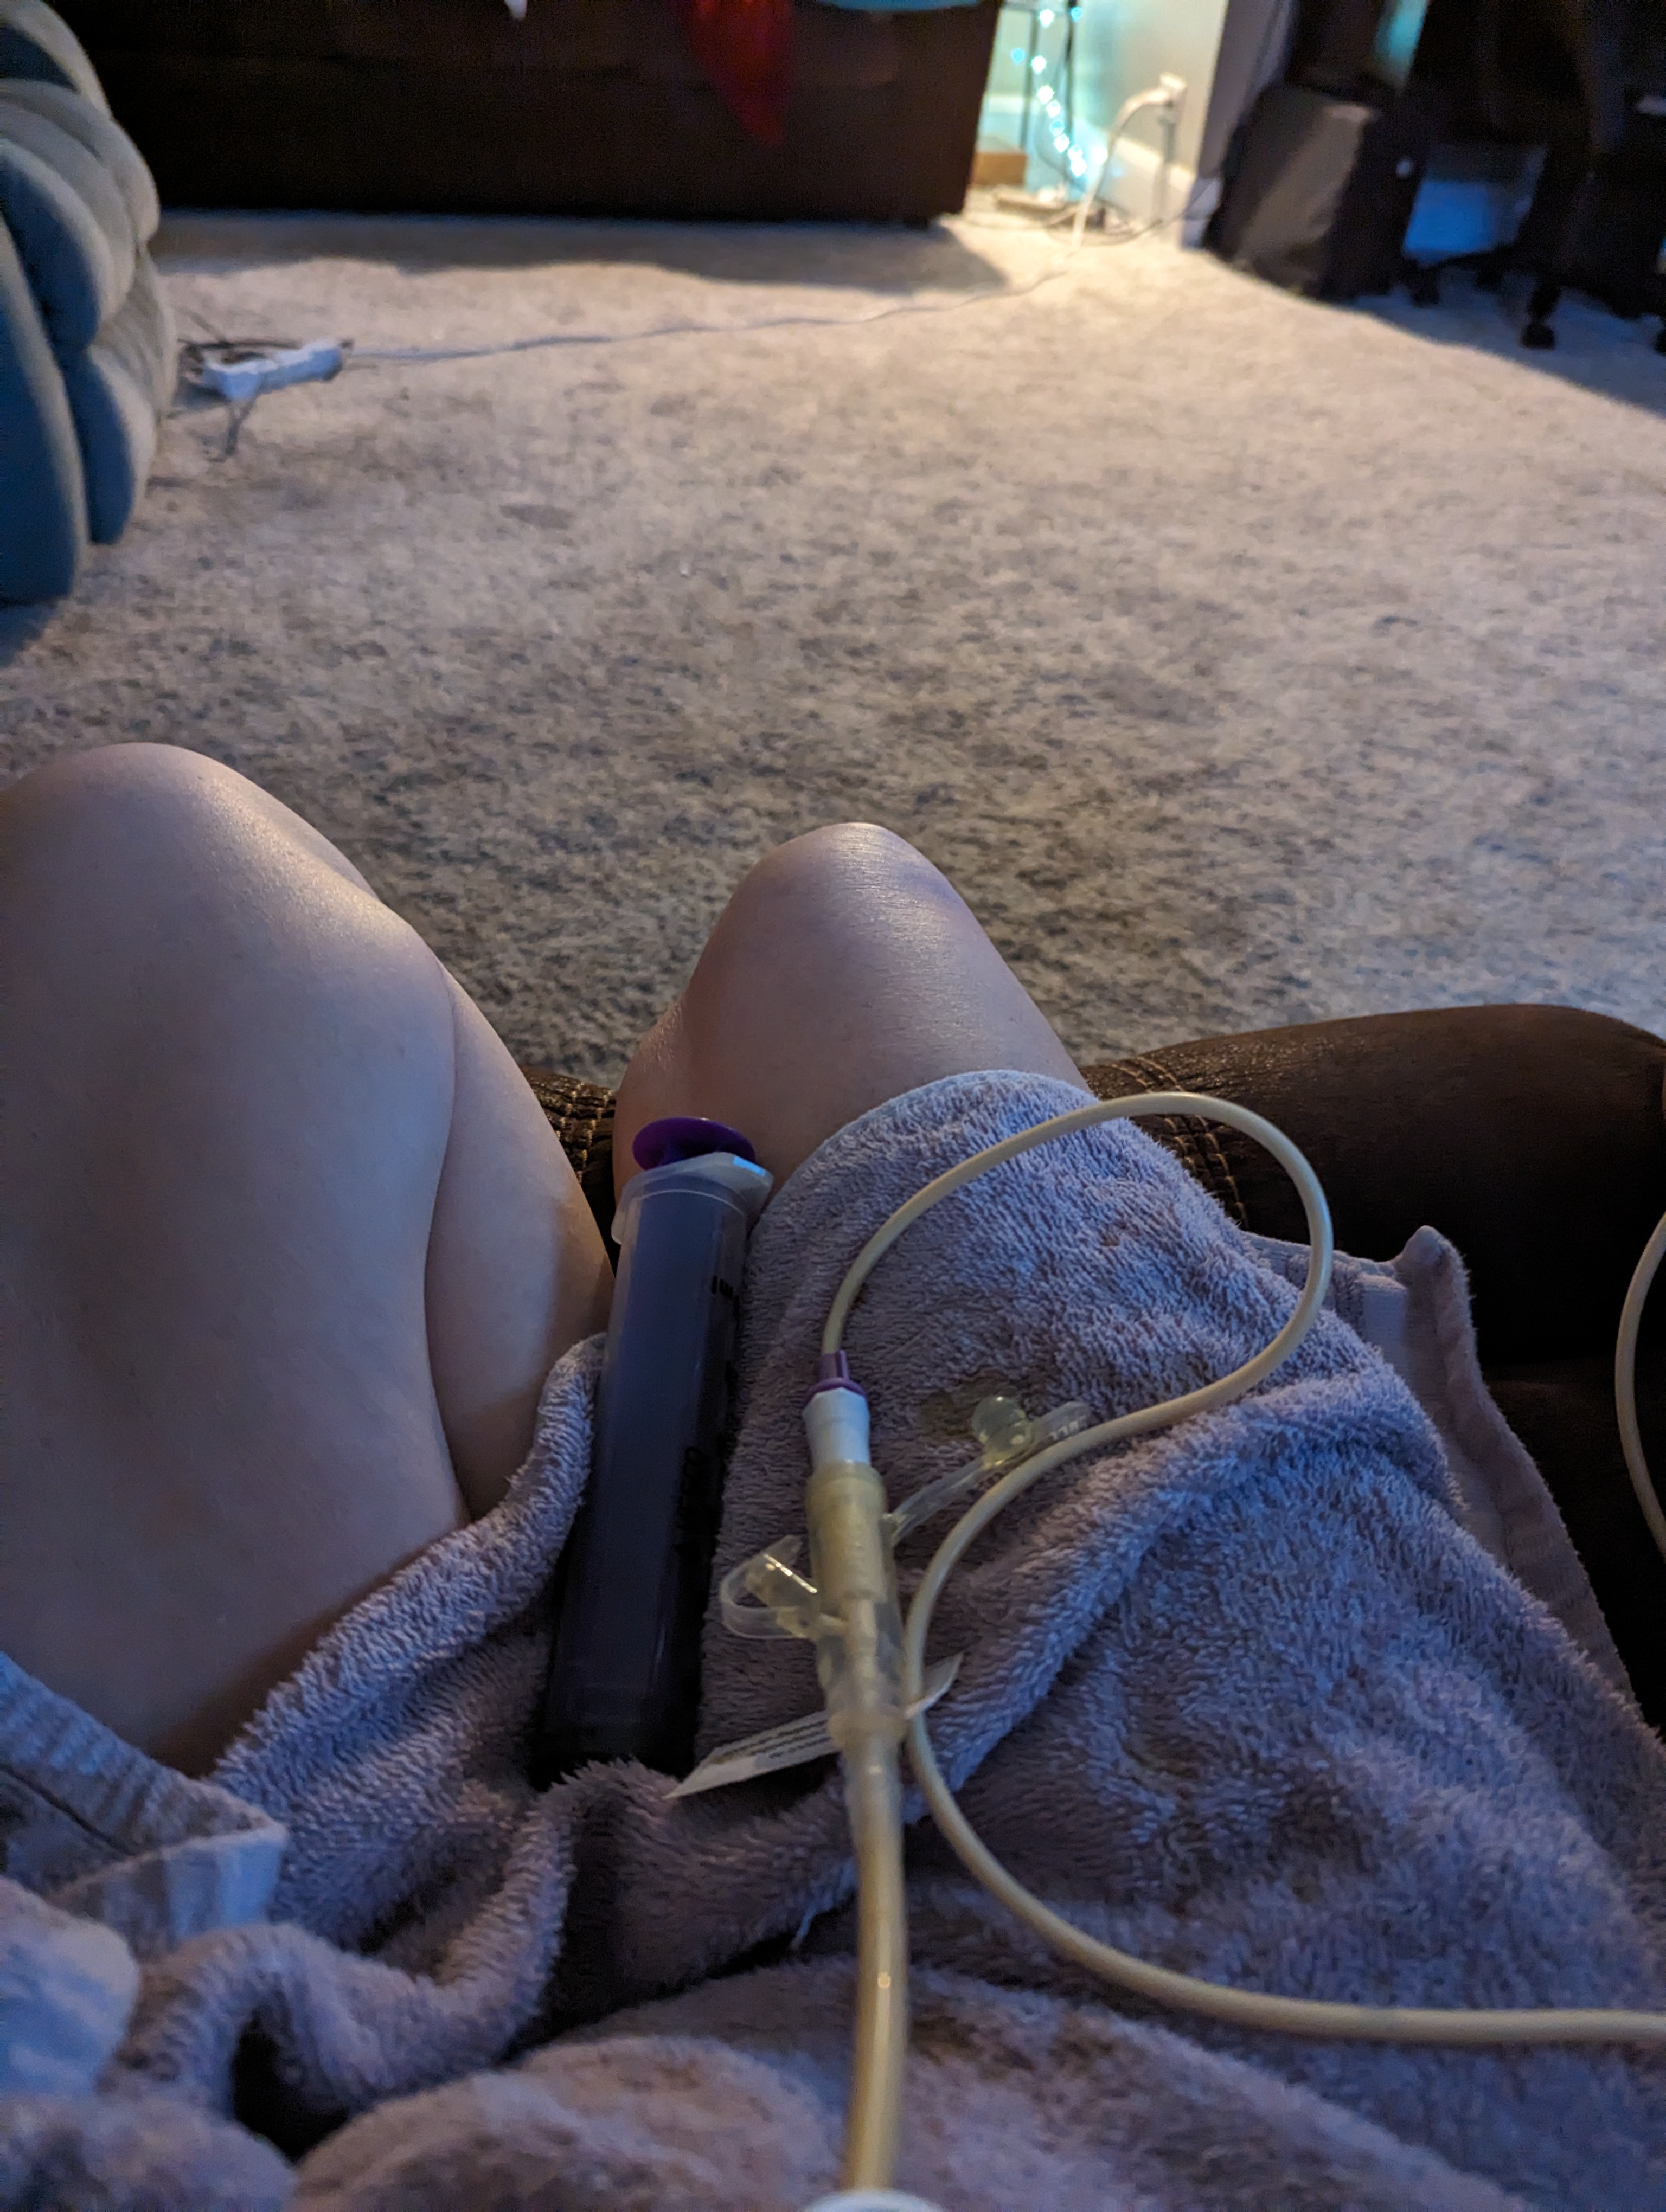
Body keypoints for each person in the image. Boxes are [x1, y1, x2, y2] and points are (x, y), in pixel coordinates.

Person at [0, 741, 1081, 1776]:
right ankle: (572, 1525)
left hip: (374, 1830)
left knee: (139, 856)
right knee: (839, 901)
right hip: (1108, 1528)